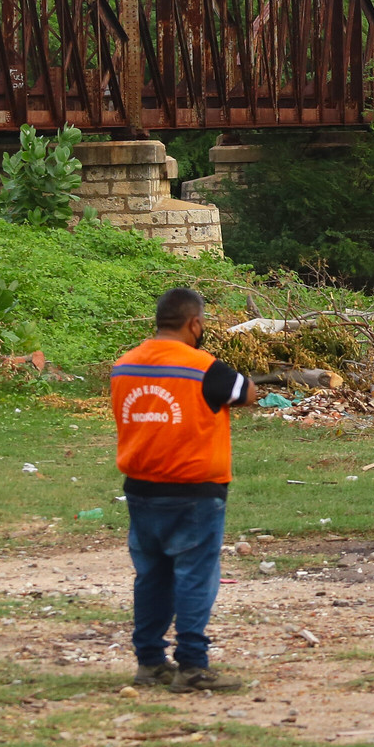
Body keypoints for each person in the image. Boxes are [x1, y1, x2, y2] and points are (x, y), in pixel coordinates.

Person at [113, 287, 253, 692]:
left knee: (151, 576)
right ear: (195, 324)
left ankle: (150, 663)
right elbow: (247, 392)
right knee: (195, 576)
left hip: (140, 490)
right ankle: (192, 665)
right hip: (195, 491)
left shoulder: (124, 366)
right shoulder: (203, 367)